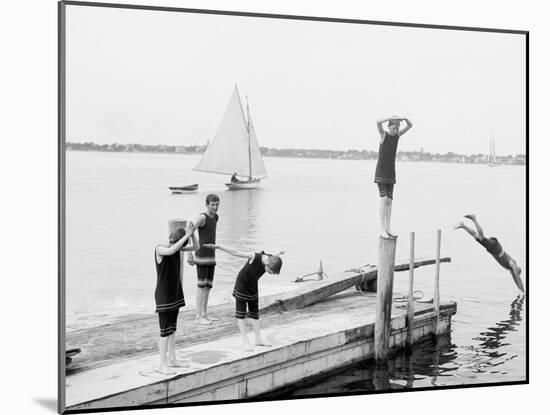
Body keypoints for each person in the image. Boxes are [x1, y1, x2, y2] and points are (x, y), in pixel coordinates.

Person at [204, 243, 284, 352]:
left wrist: (280, 252)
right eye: (270, 272)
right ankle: (245, 341)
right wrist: (219, 247)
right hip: (242, 285)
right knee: (241, 314)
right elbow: (236, 253)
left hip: (252, 285)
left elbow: (275, 256)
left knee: (255, 313)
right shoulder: (254, 257)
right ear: (267, 264)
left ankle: (258, 338)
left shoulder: (271, 259)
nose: (269, 274)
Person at [154, 222, 198, 375]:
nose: (175, 244)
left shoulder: (177, 249)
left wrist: (192, 233)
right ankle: (162, 364)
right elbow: (172, 249)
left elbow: (196, 248)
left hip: (175, 293)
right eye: (174, 241)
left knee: (172, 329)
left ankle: (172, 359)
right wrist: (186, 234)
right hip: (164, 296)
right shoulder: (160, 249)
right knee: (164, 331)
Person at [454, 214, 524, 293]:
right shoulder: (513, 264)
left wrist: (520, 290)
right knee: (481, 237)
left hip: (492, 249)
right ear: (517, 269)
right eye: (515, 272)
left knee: (476, 237)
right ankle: (474, 219)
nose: (513, 273)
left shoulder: (510, 269)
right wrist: (524, 291)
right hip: (495, 247)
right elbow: (518, 278)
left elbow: (516, 280)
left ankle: (463, 226)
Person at [374, 115, 413, 239]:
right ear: (389, 126)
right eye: (393, 128)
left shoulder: (397, 136)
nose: (395, 130)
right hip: (381, 172)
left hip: (391, 172)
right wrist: (391, 117)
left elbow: (410, 125)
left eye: (397, 128)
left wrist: (405, 118)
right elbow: (377, 121)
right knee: (384, 199)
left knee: (390, 201)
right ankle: (382, 229)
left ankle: (388, 227)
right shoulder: (383, 135)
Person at [187, 194, 220, 325]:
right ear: (206, 204)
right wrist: (190, 253)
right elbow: (189, 231)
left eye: (217, 204)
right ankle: (198, 316)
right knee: (201, 286)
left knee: (208, 286)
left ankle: (205, 314)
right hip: (201, 256)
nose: (215, 207)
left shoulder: (216, 217)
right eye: (212, 204)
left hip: (211, 256)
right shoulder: (202, 217)